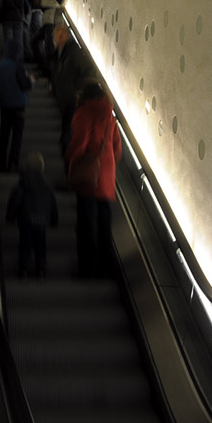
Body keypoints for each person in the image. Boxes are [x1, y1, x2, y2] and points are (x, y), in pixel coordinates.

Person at [64, 82, 122, 277]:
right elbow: (117, 148)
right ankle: (106, 267)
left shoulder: (85, 112)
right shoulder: (110, 114)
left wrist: (70, 160)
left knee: (86, 222)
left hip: (89, 177)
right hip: (106, 176)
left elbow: (79, 143)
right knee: (104, 224)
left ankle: (87, 268)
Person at [6, 151, 58, 279]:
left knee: (25, 245)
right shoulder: (47, 186)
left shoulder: (23, 183)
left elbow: (16, 200)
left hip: (26, 220)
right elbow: (52, 204)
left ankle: (23, 268)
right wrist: (54, 220)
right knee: (40, 246)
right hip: (41, 222)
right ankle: (41, 269)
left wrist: (10, 216)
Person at [49, 24, 94, 151]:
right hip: (65, 98)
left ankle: (69, 158)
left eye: (61, 35)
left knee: (68, 133)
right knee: (66, 131)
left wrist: (79, 90)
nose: (58, 38)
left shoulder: (74, 52)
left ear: (68, 36)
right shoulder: (59, 53)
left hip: (72, 99)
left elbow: (88, 70)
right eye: (56, 35)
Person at [0, 39, 34, 172]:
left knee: (4, 134)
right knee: (17, 135)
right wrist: (31, 81)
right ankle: (13, 163)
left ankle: (0, 163)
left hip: (4, 105)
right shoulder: (18, 66)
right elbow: (25, 85)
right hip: (19, 106)